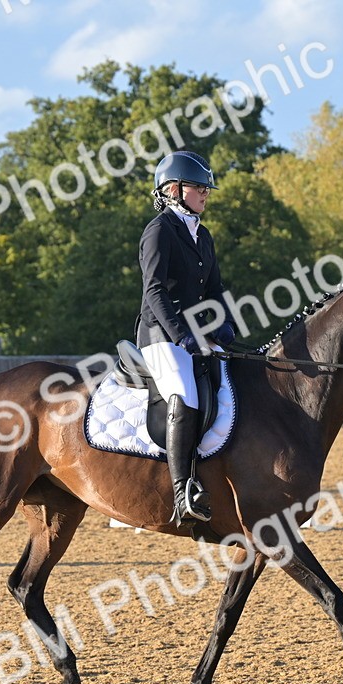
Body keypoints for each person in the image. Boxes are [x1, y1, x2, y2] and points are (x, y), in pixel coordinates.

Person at [135, 151, 236, 526]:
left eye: (206, 188)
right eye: (199, 187)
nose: (206, 193)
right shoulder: (159, 231)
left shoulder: (202, 235)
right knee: (184, 390)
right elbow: (155, 290)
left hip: (195, 334)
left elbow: (215, 289)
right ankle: (183, 493)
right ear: (173, 190)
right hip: (159, 334)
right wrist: (181, 336)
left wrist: (225, 323)